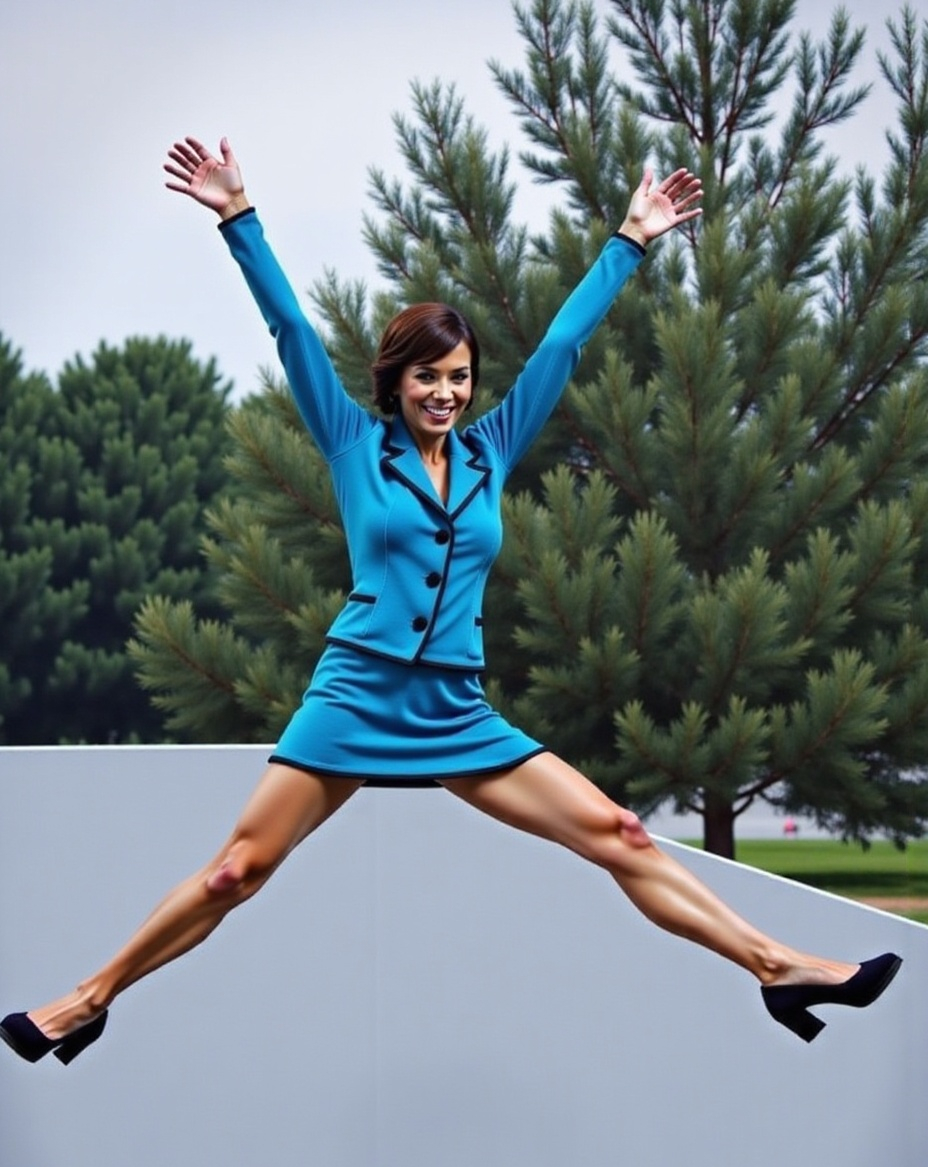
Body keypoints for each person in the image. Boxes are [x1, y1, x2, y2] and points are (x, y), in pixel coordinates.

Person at [0, 137, 901, 1065]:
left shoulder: (491, 453)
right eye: (428, 376)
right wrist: (240, 219)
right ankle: (85, 1000)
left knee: (623, 833)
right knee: (237, 870)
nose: (446, 391)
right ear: (396, 382)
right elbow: (293, 335)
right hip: (356, 694)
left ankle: (775, 966)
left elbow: (562, 344)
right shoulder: (355, 446)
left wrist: (631, 239)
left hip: (454, 708)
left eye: (460, 376)